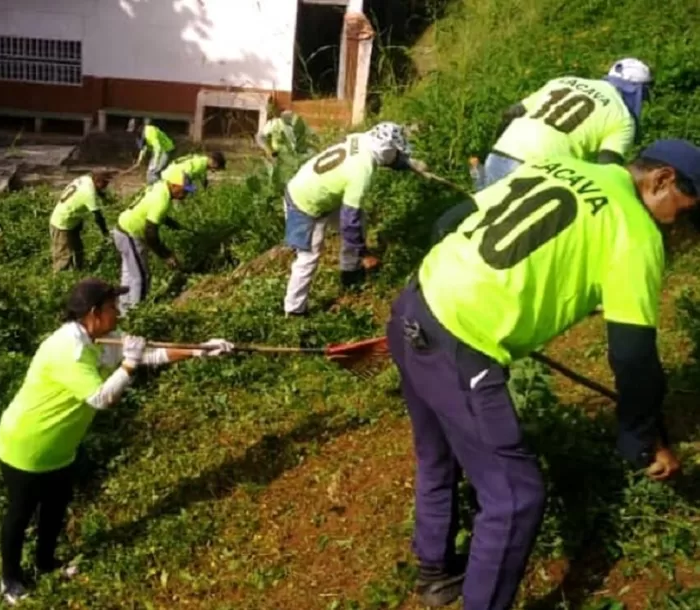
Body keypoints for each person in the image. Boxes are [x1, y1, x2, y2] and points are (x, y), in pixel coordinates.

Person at [387, 139, 699, 610]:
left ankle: (435, 573)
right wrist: (639, 437)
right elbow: (633, 357)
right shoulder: (636, 232)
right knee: (516, 498)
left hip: (415, 302)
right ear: (662, 181)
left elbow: (447, 222)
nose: (680, 225)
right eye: (684, 210)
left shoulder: (561, 164)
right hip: (460, 344)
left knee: (440, 454)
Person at [0, 278, 234, 605]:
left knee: (56, 506)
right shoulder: (69, 350)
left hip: (60, 448)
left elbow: (148, 354)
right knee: (20, 514)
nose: (118, 313)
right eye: (112, 308)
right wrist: (129, 363)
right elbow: (102, 397)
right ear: (94, 313)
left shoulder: (96, 336)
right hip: (26, 444)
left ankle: (46, 564)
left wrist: (200, 349)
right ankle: (10, 580)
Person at [436, 58, 654, 239]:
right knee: (507, 242)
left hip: (503, 153)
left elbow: (511, 113)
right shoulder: (622, 117)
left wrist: (498, 145)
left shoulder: (564, 81)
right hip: (539, 172)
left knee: (479, 223)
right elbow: (607, 170)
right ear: (638, 92)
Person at [282, 121, 435, 316]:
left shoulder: (363, 140)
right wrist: (365, 254)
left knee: (360, 219)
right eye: (395, 150)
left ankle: (349, 272)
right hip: (303, 204)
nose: (396, 154)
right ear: (385, 149)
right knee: (308, 257)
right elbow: (349, 221)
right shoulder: (361, 172)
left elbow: (388, 156)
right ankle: (294, 310)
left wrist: (409, 163)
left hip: (318, 191)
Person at [111, 173, 196, 315]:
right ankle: (137, 315)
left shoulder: (160, 187)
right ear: (174, 185)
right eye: (184, 190)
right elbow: (151, 235)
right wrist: (167, 255)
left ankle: (124, 310)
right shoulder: (161, 199)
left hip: (122, 229)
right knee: (141, 277)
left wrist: (172, 223)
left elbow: (152, 211)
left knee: (129, 274)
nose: (185, 194)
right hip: (129, 234)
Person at [49, 171, 112, 272]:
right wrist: (105, 233)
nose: (105, 187)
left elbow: (96, 191)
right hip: (62, 223)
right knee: (63, 254)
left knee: (78, 249)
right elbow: (98, 217)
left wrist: (103, 197)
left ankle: (79, 270)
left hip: (72, 220)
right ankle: (59, 279)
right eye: (104, 184)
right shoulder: (89, 194)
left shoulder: (85, 179)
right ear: (98, 182)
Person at [130, 119, 175, 184]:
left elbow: (158, 148)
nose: (134, 133)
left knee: (153, 172)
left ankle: (157, 188)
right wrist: (139, 161)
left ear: (140, 127)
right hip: (157, 151)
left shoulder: (150, 132)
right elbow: (143, 148)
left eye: (134, 130)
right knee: (150, 172)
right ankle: (154, 187)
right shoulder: (141, 135)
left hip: (165, 150)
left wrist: (154, 163)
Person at [161, 151, 226, 190]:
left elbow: (203, 180)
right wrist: (191, 189)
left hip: (171, 174)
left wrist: (205, 189)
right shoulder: (199, 164)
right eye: (217, 168)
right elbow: (186, 175)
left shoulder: (203, 162)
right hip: (172, 176)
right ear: (214, 162)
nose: (216, 170)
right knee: (182, 196)